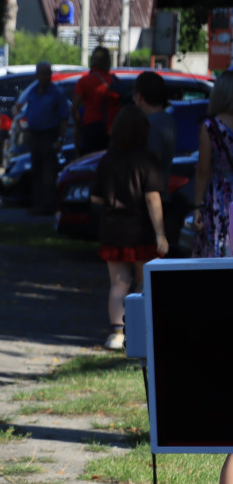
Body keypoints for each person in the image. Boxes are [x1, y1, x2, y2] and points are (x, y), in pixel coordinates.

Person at [89, 105, 168, 351]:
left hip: (113, 229)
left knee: (118, 284)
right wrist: (160, 233)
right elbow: (152, 198)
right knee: (143, 285)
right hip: (142, 230)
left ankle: (116, 333)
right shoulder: (148, 159)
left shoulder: (107, 159)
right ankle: (143, 331)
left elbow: (96, 199)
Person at [16, 62, 70, 216]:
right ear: (37, 75)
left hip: (49, 136)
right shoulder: (33, 91)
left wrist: (60, 139)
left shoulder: (57, 93)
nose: (46, 76)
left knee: (48, 173)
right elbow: (27, 111)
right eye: (43, 73)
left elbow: (64, 118)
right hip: (34, 136)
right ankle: (37, 204)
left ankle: (48, 206)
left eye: (48, 73)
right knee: (36, 171)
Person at [133, 71, 178, 253]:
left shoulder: (149, 125)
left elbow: (150, 167)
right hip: (161, 195)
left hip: (149, 201)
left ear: (140, 97)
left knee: (146, 260)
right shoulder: (168, 119)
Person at [192, 70, 233, 259]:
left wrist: (197, 207)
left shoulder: (210, 127)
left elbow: (203, 171)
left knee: (217, 256)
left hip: (218, 199)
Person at [71, 46, 119, 156]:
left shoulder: (84, 81)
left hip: (90, 127)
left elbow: (74, 109)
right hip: (112, 128)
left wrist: (79, 125)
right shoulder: (114, 80)